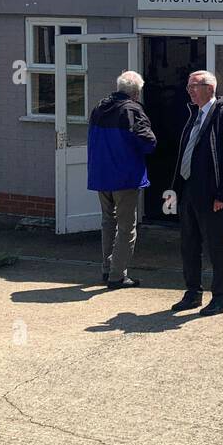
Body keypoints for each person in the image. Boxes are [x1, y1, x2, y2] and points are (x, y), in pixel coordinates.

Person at [169, 70, 223, 317]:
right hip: (189, 189)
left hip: (211, 194)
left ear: (209, 88)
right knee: (188, 244)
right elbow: (184, 152)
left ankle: (221, 297)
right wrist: (176, 188)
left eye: (194, 86)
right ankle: (192, 293)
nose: (190, 90)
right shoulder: (194, 114)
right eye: (188, 85)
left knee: (215, 246)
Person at [87, 70, 157, 289]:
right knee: (127, 227)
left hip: (101, 175)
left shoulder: (99, 108)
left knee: (108, 221)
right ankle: (118, 275)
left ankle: (107, 269)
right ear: (136, 93)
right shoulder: (132, 110)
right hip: (125, 177)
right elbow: (148, 141)